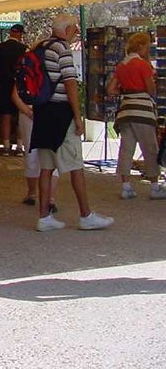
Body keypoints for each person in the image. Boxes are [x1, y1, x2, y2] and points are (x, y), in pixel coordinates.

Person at [31, 14, 113, 232]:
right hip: (61, 113)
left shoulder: (40, 47)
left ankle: (44, 217)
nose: (77, 33)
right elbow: (70, 84)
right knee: (76, 164)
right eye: (75, 29)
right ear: (66, 30)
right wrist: (78, 116)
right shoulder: (62, 49)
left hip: (43, 112)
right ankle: (86, 215)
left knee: (46, 167)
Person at [108, 32, 166, 199]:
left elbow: (111, 89)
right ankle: (154, 187)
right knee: (150, 148)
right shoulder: (143, 65)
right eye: (148, 46)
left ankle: (126, 187)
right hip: (143, 111)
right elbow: (151, 89)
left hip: (125, 111)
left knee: (126, 149)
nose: (149, 49)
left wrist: (125, 91)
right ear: (141, 46)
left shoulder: (122, 65)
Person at [12, 85, 59, 209]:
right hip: (52, 113)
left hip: (29, 112)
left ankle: (32, 193)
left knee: (31, 154)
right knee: (52, 155)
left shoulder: (26, 73)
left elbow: (15, 95)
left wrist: (27, 111)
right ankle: (51, 198)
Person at [0, 24, 28, 155]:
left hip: (3, 85)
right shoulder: (23, 48)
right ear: (20, 34)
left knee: (6, 116)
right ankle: (19, 146)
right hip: (19, 84)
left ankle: (6, 146)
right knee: (20, 115)